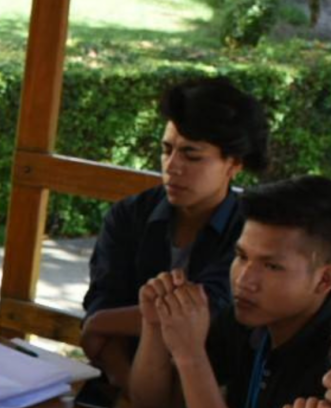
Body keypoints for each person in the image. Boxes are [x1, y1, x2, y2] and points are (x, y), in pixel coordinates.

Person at [123, 175, 331, 408]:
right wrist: (156, 325)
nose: (244, 280)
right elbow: (150, 407)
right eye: (241, 256)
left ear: (324, 278)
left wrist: (190, 354)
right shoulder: (247, 319)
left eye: (272, 266)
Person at [80, 77, 268, 386]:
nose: (172, 166)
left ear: (233, 164)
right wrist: (130, 389)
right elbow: (103, 302)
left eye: (192, 156)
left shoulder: (250, 231)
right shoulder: (129, 216)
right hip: (120, 383)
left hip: (211, 391)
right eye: (167, 150)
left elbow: (209, 312)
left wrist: (102, 322)